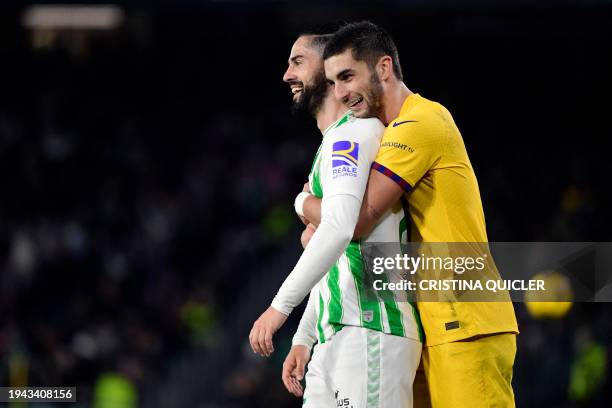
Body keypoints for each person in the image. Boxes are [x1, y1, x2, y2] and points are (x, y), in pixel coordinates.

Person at [298, 21, 520, 408]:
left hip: (464, 321)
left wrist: (302, 204)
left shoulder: (420, 123)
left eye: (348, 76)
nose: (341, 93)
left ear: (384, 68)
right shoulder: (387, 133)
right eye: (333, 82)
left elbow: (357, 219)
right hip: (428, 323)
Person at [249, 33, 422, 407]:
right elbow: (335, 251)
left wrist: (280, 308)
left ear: (327, 71)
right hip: (339, 336)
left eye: (297, 62)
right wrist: (305, 336)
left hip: (371, 330)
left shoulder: (354, 135)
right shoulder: (334, 143)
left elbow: (341, 228)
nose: (286, 75)